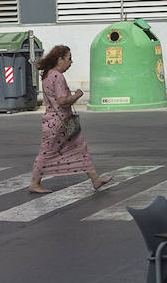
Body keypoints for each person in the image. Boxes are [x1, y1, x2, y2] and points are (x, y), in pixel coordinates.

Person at [29, 45, 112, 193]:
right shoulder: (58, 76)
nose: (71, 62)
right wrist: (77, 95)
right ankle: (35, 183)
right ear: (60, 59)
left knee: (80, 147)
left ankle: (95, 179)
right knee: (47, 152)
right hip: (60, 123)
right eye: (69, 59)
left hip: (57, 121)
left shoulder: (48, 74)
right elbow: (62, 101)